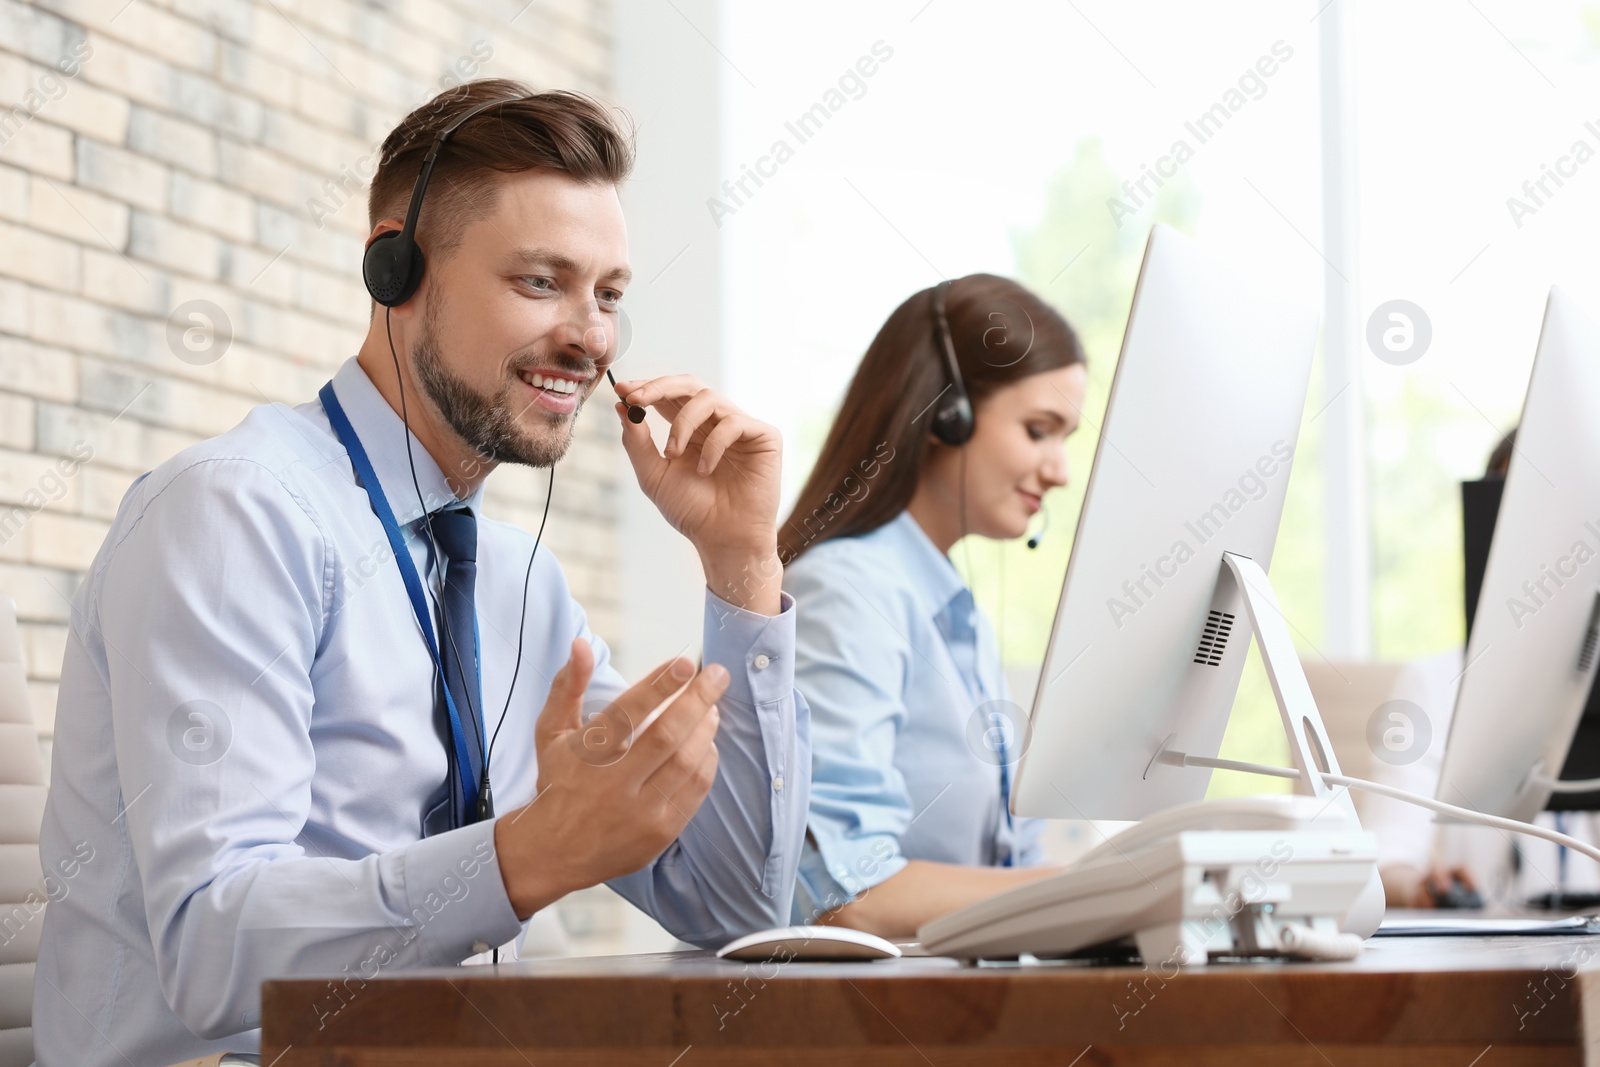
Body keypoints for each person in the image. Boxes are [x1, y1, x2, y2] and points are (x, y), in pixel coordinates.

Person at [33, 81, 810, 1067]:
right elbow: (214, 950)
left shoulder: (520, 586)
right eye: (542, 281)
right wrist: (534, 850)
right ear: (395, 267)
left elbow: (733, 903)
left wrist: (740, 562)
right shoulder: (237, 513)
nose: (594, 335)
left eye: (609, 293)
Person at [778, 275, 1087, 938]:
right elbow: (843, 889)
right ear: (948, 413)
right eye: (1040, 430)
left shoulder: (948, 603)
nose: (1060, 469)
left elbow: (1010, 862)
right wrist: (1070, 890)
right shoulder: (850, 590)